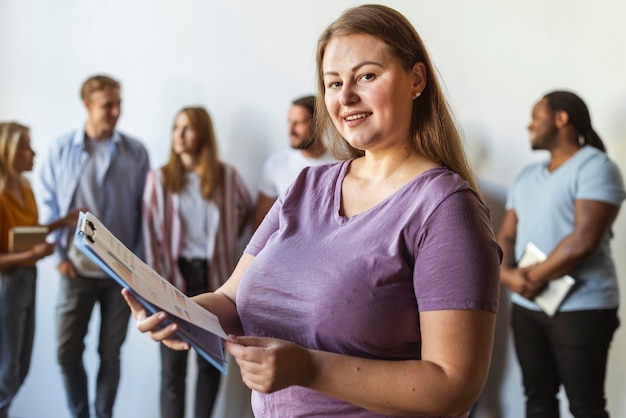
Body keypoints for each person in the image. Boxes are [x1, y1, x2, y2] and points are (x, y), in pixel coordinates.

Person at [124, 4, 501, 417]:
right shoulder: (306, 187)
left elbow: (454, 386)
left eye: (367, 76)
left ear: (416, 80)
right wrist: (178, 311)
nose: (346, 97)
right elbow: (231, 299)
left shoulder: (445, 209)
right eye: (333, 83)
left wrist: (310, 367)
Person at [497, 90, 625, 417]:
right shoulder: (526, 176)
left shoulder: (596, 168)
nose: (529, 126)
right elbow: (507, 235)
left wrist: (527, 279)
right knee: (537, 402)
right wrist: (508, 276)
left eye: (536, 118)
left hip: (582, 307)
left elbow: (582, 241)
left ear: (561, 119)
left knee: (585, 406)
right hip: (528, 307)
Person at [36, 75, 150, 418]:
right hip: (76, 268)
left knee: (110, 353)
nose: (115, 111)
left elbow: (145, 212)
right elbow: (49, 207)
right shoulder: (60, 150)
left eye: (119, 104)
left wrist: (139, 269)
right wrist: (58, 258)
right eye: (107, 105)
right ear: (87, 105)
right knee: (66, 352)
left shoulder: (136, 151)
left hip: (120, 275)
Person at [142, 106, 253, 418]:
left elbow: (244, 214)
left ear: (203, 133)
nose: (179, 135)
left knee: (210, 363)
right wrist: (154, 285)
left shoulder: (227, 177)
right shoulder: (159, 179)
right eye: (176, 127)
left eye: (187, 128)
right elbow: (150, 235)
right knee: (172, 367)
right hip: (172, 277)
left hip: (215, 278)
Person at [0, 122, 80, 418]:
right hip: (7, 285)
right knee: (6, 374)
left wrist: (61, 222)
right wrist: (31, 253)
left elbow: (28, 232)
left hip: (27, 280)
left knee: (19, 369)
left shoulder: (24, 186)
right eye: (25, 146)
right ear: (6, 151)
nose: (33, 153)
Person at [252, 95, 336, 229]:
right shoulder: (276, 164)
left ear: (320, 124)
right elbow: (261, 223)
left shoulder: (342, 163)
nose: (290, 130)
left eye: (298, 123)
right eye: (289, 122)